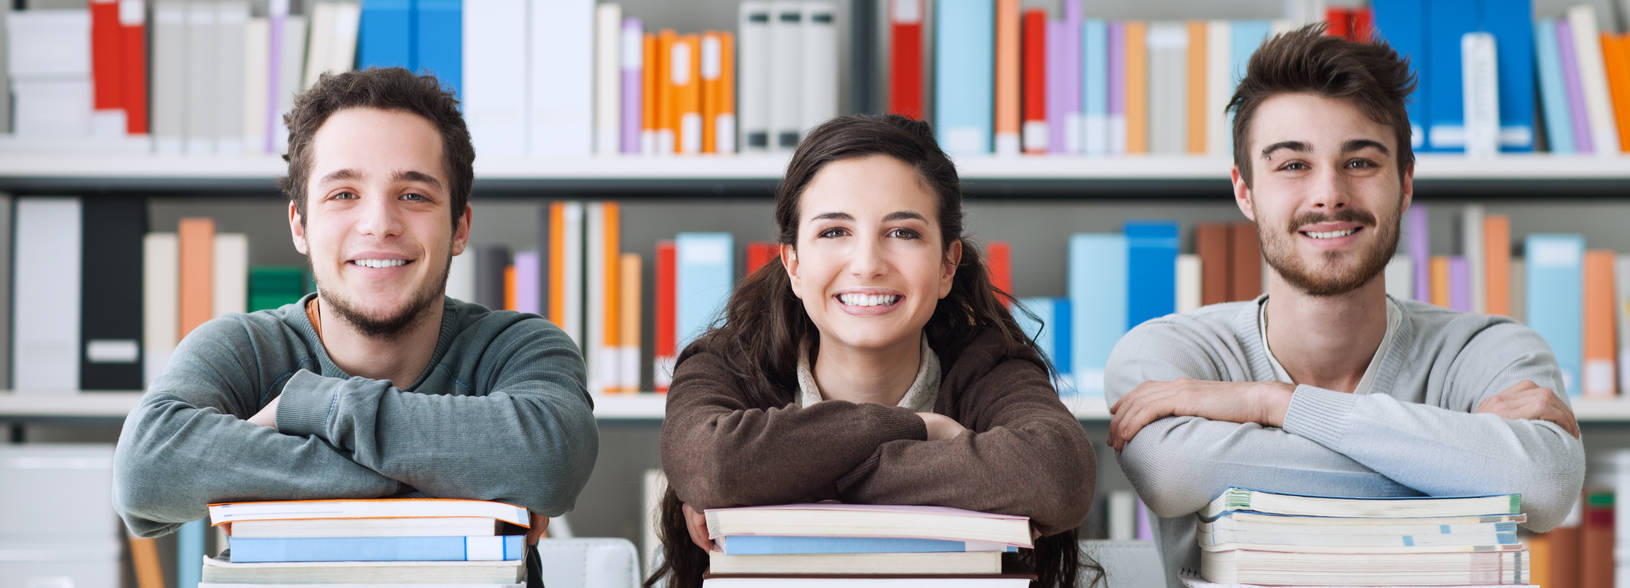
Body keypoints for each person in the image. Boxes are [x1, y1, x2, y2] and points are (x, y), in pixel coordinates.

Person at [1104, 25, 1586, 585]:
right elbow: (1173, 473)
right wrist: (1467, 459)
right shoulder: (1170, 357)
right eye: (1292, 165)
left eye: (1360, 162)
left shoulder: (1489, 351)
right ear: (1245, 190)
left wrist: (1273, 403)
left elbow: (1547, 484)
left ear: (1404, 184)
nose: (1328, 193)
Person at [112, 68, 598, 547]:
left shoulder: (518, 348)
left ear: (459, 228)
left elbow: (550, 460)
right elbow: (146, 473)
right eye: (343, 194)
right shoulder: (242, 350)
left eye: (413, 195)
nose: (379, 223)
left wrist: (305, 407)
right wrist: (462, 482)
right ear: (300, 225)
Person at [647, 114, 1098, 588]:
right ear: (793, 263)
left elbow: (1058, 477)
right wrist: (920, 430)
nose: (867, 265)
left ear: (948, 264)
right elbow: (713, 466)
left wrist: (776, 474)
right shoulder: (725, 364)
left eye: (903, 233)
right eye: (834, 232)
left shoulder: (988, 367)